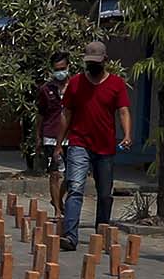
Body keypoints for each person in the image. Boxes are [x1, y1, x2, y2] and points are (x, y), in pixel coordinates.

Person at [54, 39, 132, 251]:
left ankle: (102, 233)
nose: (93, 66)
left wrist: (127, 134)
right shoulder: (76, 84)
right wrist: (59, 143)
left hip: (105, 146)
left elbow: (123, 110)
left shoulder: (116, 84)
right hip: (79, 142)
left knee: (105, 193)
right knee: (76, 188)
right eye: (90, 62)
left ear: (105, 60)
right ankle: (70, 235)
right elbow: (66, 114)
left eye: (97, 62)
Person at [34, 51, 70, 202]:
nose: (60, 72)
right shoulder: (46, 89)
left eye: (62, 68)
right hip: (51, 136)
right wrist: (38, 137)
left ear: (68, 66)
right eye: (56, 69)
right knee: (54, 173)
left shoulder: (76, 86)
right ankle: (56, 208)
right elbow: (40, 114)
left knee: (72, 176)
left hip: (72, 137)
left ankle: (59, 199)